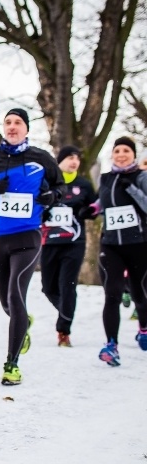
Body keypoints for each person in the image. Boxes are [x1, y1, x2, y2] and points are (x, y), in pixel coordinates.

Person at [0, 108, 64, 385]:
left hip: (28, 236)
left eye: (18, 122)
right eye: (7, 122)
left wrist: (50, 197)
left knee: (15, 294)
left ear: (26, 129)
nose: (12, 126)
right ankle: (23, 323)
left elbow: (60, 189)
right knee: (6, 303)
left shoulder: (41, 158)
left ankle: (12, 365)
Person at [77, 136, 147, 365]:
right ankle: (111, 345)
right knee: (112, 293)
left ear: (133, 154)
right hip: (111, 244)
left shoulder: (142, 177)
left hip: (139, 244)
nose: (121, 154)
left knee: (140, 292)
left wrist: (133, 191)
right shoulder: (106, 178)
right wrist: (92, 210)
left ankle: (144, 330)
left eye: (126, 150)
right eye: (117, 150)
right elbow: (103, 202)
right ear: (112, 155)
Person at [39, 145, 97, 347]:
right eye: (70, 158)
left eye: (77, 158)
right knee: (47, 287)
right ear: (59, 161)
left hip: (74, 243)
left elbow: (96, 206)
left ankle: (64, 330)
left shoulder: (84, 184)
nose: (74, 161)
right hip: (49, 242)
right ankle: (66, 309)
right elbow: (35, 205)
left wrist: (88, 212)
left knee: (67, 285)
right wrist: (42, 213)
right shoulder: (46, 183)